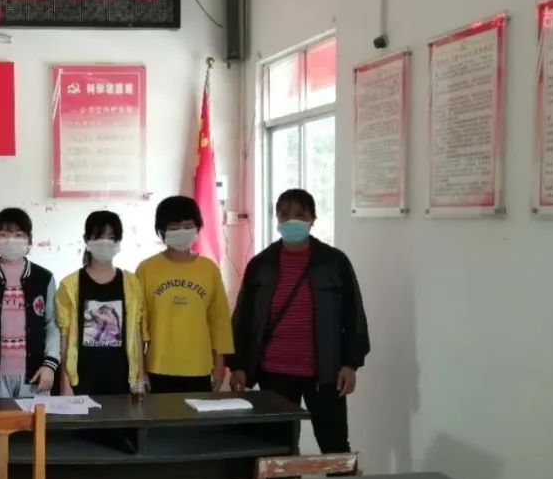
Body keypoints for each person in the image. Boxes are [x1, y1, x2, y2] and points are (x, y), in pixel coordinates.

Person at [229, 189, 370, 453]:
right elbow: (243, 318)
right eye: (284, 214)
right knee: (279, 448)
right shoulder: (261, 264)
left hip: (325, 374)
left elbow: (354, 316)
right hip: (274, 373)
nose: (291, 220)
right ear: (276, 218)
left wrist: (351, 363)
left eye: (300, 215)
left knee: (335, 445)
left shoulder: (333, 262)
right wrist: (237, 365)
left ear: (312, 219)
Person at [136, 195, 234, 394]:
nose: (181, 232)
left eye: (188, 226)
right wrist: (140, 370)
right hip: (158, 366)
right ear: (161, 231)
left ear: (198, 227)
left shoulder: (209, 269)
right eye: (174, 228)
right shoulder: (146, 269)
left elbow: (220, 321)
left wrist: (220, 365)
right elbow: (138, 325)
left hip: (200, 367)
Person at [0, 208, 60, 399]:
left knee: (34, 420)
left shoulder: (44, 278)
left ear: (29, 239)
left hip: (35, 375)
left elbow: (52, 324)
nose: (10, 240)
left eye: (18, 235)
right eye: (3, 234)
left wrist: (50, 364)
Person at [55, 211, 146, 396]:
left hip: (122, 380)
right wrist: (65, 383)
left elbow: (136, 334)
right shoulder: (69, 285)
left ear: (119, 241)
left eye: (111, 237)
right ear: (86, 240)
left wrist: (140, 378)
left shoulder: (131, 283)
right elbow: (64, 337)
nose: (105, 243)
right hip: (82, 380)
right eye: (99, 237)